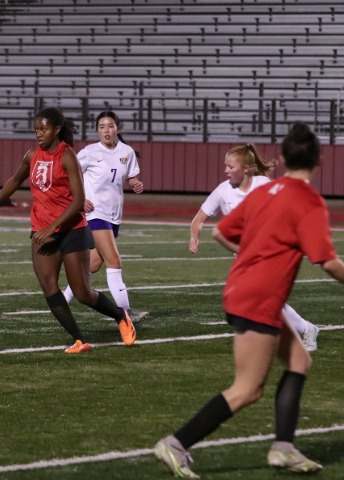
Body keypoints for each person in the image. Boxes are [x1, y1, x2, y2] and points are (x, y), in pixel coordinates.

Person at [154, 122, 344, 478]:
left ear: (283, 158)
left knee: (299, 361)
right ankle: (176, 444)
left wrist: (252, 256)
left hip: (242, 288)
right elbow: (328, 261)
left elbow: (222, 231)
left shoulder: (265, 191)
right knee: (248, 389)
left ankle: (284, 447)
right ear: (319, 160)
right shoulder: (309, 201)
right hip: (259, 298)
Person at [0, 107, 136, 353]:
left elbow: (78, 200)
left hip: (72, 229)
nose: (38, 134)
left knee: (82, 293)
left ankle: (121, 316)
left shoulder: (67, 156)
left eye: (43, 129)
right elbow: (15, 180)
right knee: (49, 286)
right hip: (42, 231)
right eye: (36, 129)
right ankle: (79, 340)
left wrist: (53, 227)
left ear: (56, 130)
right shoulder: (31, 156)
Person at [189, 144, 320, 352]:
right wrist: (194, 237)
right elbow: (199, 218)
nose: (226, 170)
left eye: (230, 167)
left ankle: (303, 330)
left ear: (246, 168)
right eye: (226, 166)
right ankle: (302, 329)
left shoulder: (263, 184)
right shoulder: (223, 191)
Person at [62, 111, 149, 323]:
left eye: (110, 126)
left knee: (92, 265)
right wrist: (80, 199)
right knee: (114, 260)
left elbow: (131, 176)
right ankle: (125, 312)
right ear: (97, 131)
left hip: (114, 215)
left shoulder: (126, 151)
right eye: (102, 127)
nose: (106, 131)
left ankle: (62, 300)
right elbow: (67, 174)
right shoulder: (89, 152)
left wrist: (135, 183)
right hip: (95, 213)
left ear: (118, 129)